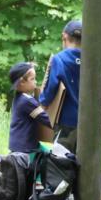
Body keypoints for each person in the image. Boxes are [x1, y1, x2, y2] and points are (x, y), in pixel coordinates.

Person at [39, 20, 82, 154]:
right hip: (87, 123)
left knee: (61, 164)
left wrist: (41, 107)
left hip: (65, 122)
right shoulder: (91, 60)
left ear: (64, 37)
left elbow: (49, 91)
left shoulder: (59, 59)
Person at [7, 62, 52, 154]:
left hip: (17, 147)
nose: (35, 81)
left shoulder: (19, 98)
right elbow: (46, 119)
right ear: (22, 82)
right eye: (33, 79)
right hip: (25, 149)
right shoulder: (27, 101)